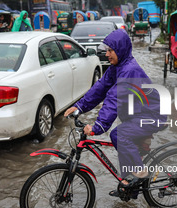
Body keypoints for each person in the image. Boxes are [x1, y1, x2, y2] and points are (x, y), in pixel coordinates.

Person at [64, 29, 167, 199]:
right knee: (123, 144)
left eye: (110, 50)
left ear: (120, 50)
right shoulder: (116, 67)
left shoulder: (129, 70)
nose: (107, 54)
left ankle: (140, 174)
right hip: (137, 115)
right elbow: (100, 88)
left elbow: (114, 97)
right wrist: (79, 107)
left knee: (119, 134)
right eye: (107, 50)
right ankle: (130, 188)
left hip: (153, 115)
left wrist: (98, 126)